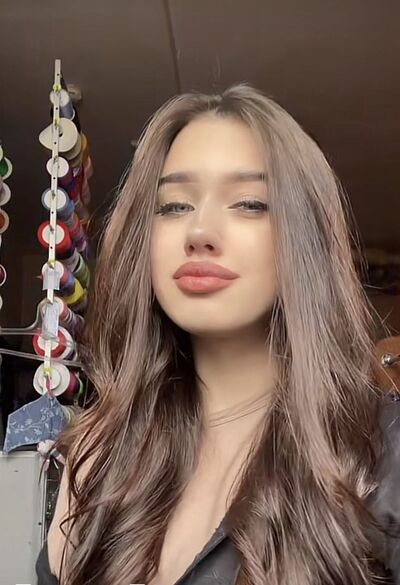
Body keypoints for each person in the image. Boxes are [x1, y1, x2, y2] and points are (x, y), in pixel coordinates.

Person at [36, 84, 400, 585]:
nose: (199, 231)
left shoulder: (384, 452)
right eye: (174, 206)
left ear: (306, 239)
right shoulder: (98, 457)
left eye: (249, 203)